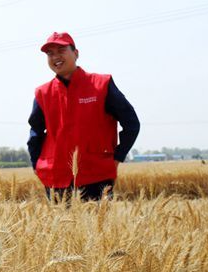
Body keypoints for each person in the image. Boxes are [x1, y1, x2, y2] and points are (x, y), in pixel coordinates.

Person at [27, 32, 140, 201]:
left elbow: (131, 123)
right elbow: (35, 131)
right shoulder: (43, 93)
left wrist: (117, 157)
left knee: (99, 227)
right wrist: (36, 163)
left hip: (97, 175)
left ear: (76, 53)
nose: (55, 57)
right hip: (56, 178)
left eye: (61, 50)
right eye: (50, 53)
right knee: (60, 227)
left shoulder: (101, 84)